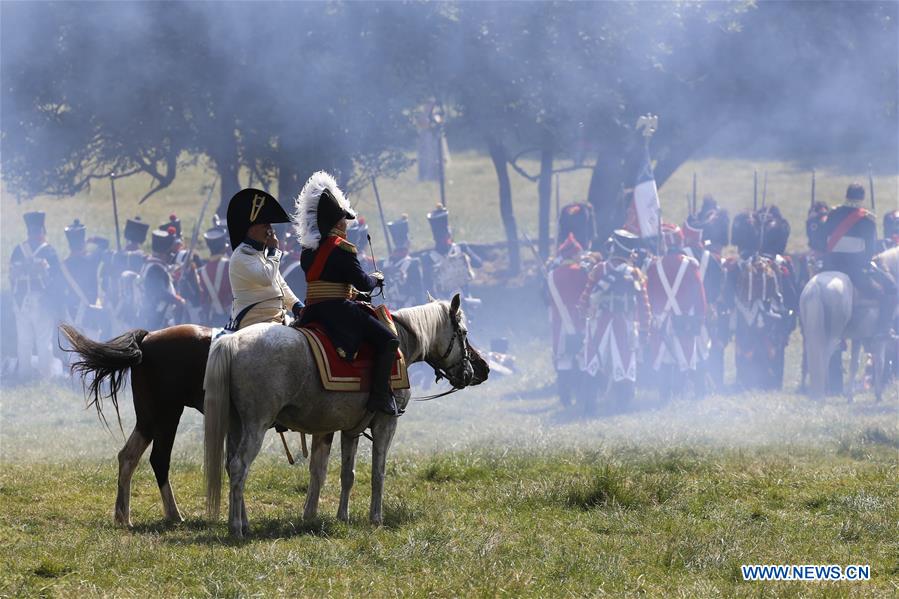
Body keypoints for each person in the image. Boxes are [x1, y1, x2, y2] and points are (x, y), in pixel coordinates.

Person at [293, 171, 400, 416]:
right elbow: (362, 282)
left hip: (312, 311)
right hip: (340, 311)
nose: (347, 225)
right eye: (344, 220)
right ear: (337, 222)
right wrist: (377, 278)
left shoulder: (308, 250)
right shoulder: (343, 249)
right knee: (389, 340)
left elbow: (329, 282)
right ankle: (379, 397)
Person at [580, 229, 650, 407]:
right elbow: (643, 304)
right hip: (624, 323)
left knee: (593, 364)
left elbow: (585, 298)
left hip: (600, 321)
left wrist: (584, 318)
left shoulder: (599, 269)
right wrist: (644, 329)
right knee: (625, 365)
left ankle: (589, 404)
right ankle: (622, 405)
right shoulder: (634, 273)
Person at [821, 183, 896, 337]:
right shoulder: (867, 219)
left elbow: (822, 241)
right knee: (888, 291)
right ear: (862, 198)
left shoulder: (833, 214)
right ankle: (882, 331)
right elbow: (870, 251)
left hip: (829, 266)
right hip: (853, 271)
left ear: (846, 195)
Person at [226, 188, 303, 330]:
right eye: (265, 226)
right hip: (253, 320)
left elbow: (280, 284)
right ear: (252, 229)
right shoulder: (241, 255)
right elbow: (266, 278)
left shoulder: (263, 253)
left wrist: (297, 307)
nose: (270, 230)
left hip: (276, 318)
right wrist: (274, 250)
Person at [646, 223, 707, 399]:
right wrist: (701, 317)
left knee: (665, 358)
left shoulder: (654, 267)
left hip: (662, 320)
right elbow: (699, 294)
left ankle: (665, 396)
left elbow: (650, 294)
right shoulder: (690, 265)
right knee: (688, 358)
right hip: (685, 319)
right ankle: (686, 394)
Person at [9, 211, 63, 379]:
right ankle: (45, 376)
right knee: (43, 341)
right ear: (42, 230)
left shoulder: (18, 250)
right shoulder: (49, 251)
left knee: (24, 340)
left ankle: (24, 374)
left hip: (20, 301)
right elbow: (57, 280)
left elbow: (11, 277)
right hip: (42, 302)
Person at [100, 216, 149, 335]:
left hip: (113, 306)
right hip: (132, 311)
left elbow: (104, 283)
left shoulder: (112, 255)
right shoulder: (142, 258)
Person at [422, 204, 482, 298]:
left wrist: (466, 260)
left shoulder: (427, 258)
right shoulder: (461, 248)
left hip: (455, 304)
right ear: (449, 233)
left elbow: (427, 287)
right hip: (451, 305)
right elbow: (479, 263)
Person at [60, 219, 104, 337]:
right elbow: (105, 244)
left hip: (71, 313)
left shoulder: (64, 265)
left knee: (73, 352)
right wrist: (92, 239)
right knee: (93, 353)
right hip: (90, 314)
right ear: (83, 242)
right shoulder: (91, 260)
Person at [138, 230, 185, 330]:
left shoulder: (152, 265)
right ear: (165, 253)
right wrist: (177, 300)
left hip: (154, 315)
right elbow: (160, 292)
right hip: (157, 317)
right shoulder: (156, 268)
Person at [383, 214, 425, 308]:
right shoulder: (413, 264)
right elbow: (419, 294)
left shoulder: (384, 263)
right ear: (407, 242)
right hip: (408, 311)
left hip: (390, 310)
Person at [198, 225, 232, 327]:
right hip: (231, 316)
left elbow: (204, 298)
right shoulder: (228, 265)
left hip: (214, 319)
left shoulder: (203, 270)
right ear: (223, 247)